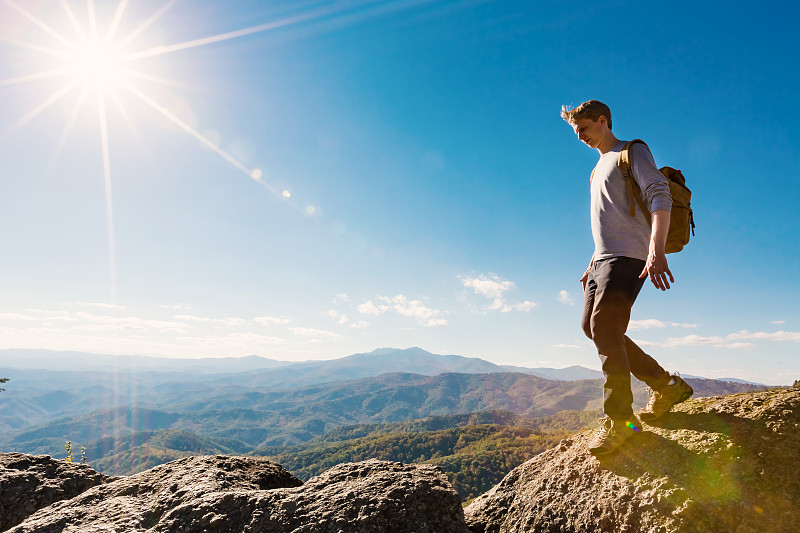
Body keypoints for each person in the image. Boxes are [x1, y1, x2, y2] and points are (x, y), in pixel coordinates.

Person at [561, 100, 693, 455]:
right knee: (593, 328)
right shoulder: (597, 169)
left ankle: (621, 422)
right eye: (577, 132)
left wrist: (656, 250)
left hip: (631, 256)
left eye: (584, 129)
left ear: (603, 121)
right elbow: (609, 220)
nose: (581, 137)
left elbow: (658, 193)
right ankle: (668, 385)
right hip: (603, 259)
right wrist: (592, 260)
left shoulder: (631, 151)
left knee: (604, 326)